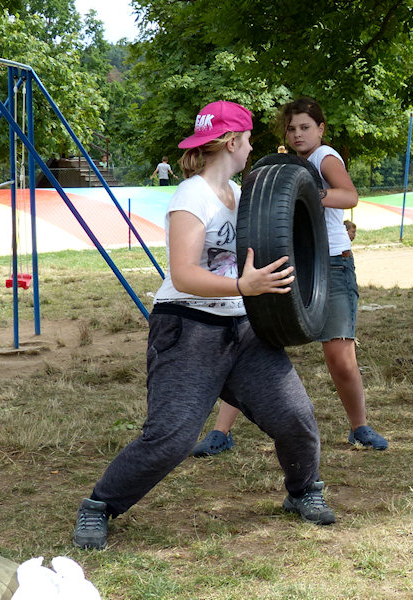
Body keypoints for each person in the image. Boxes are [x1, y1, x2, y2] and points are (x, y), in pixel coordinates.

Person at [72, 101, 335, 551]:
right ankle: (98, 506)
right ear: (231, 142)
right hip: (188, 328)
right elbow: (183, 275)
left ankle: (303, 491)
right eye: (247, 140)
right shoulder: (191, 196)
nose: (251, 148)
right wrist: (242, 286)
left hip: (244, 328)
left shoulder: (242, 194)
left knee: (295, 417)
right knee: (171, 438)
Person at [193, 97, 387, 457]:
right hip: (289, 263)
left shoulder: (324, 156)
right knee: (257, 344)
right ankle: (221, 432)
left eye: (306, 127)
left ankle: (359, 427)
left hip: (332, 263)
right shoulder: (285, 166)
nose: (298, 134)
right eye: (292, 128)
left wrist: (313, 193)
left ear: (321, 129)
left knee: (339, 355)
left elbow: (350, 195)